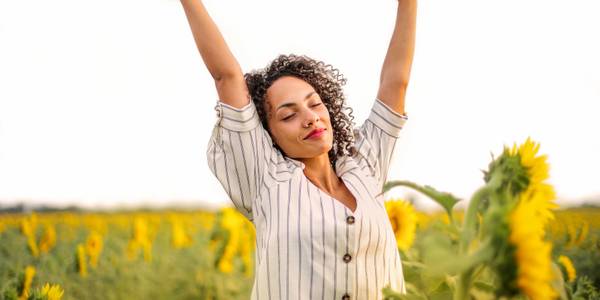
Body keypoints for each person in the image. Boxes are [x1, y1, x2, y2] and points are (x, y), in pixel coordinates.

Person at [180, 0, 416, 299]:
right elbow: (226, 75)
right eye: (289, 115)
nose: (310, 118)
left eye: (315, 104)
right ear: (269, 134)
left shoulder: (364, 167)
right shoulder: (266, 179)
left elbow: (396, 84)